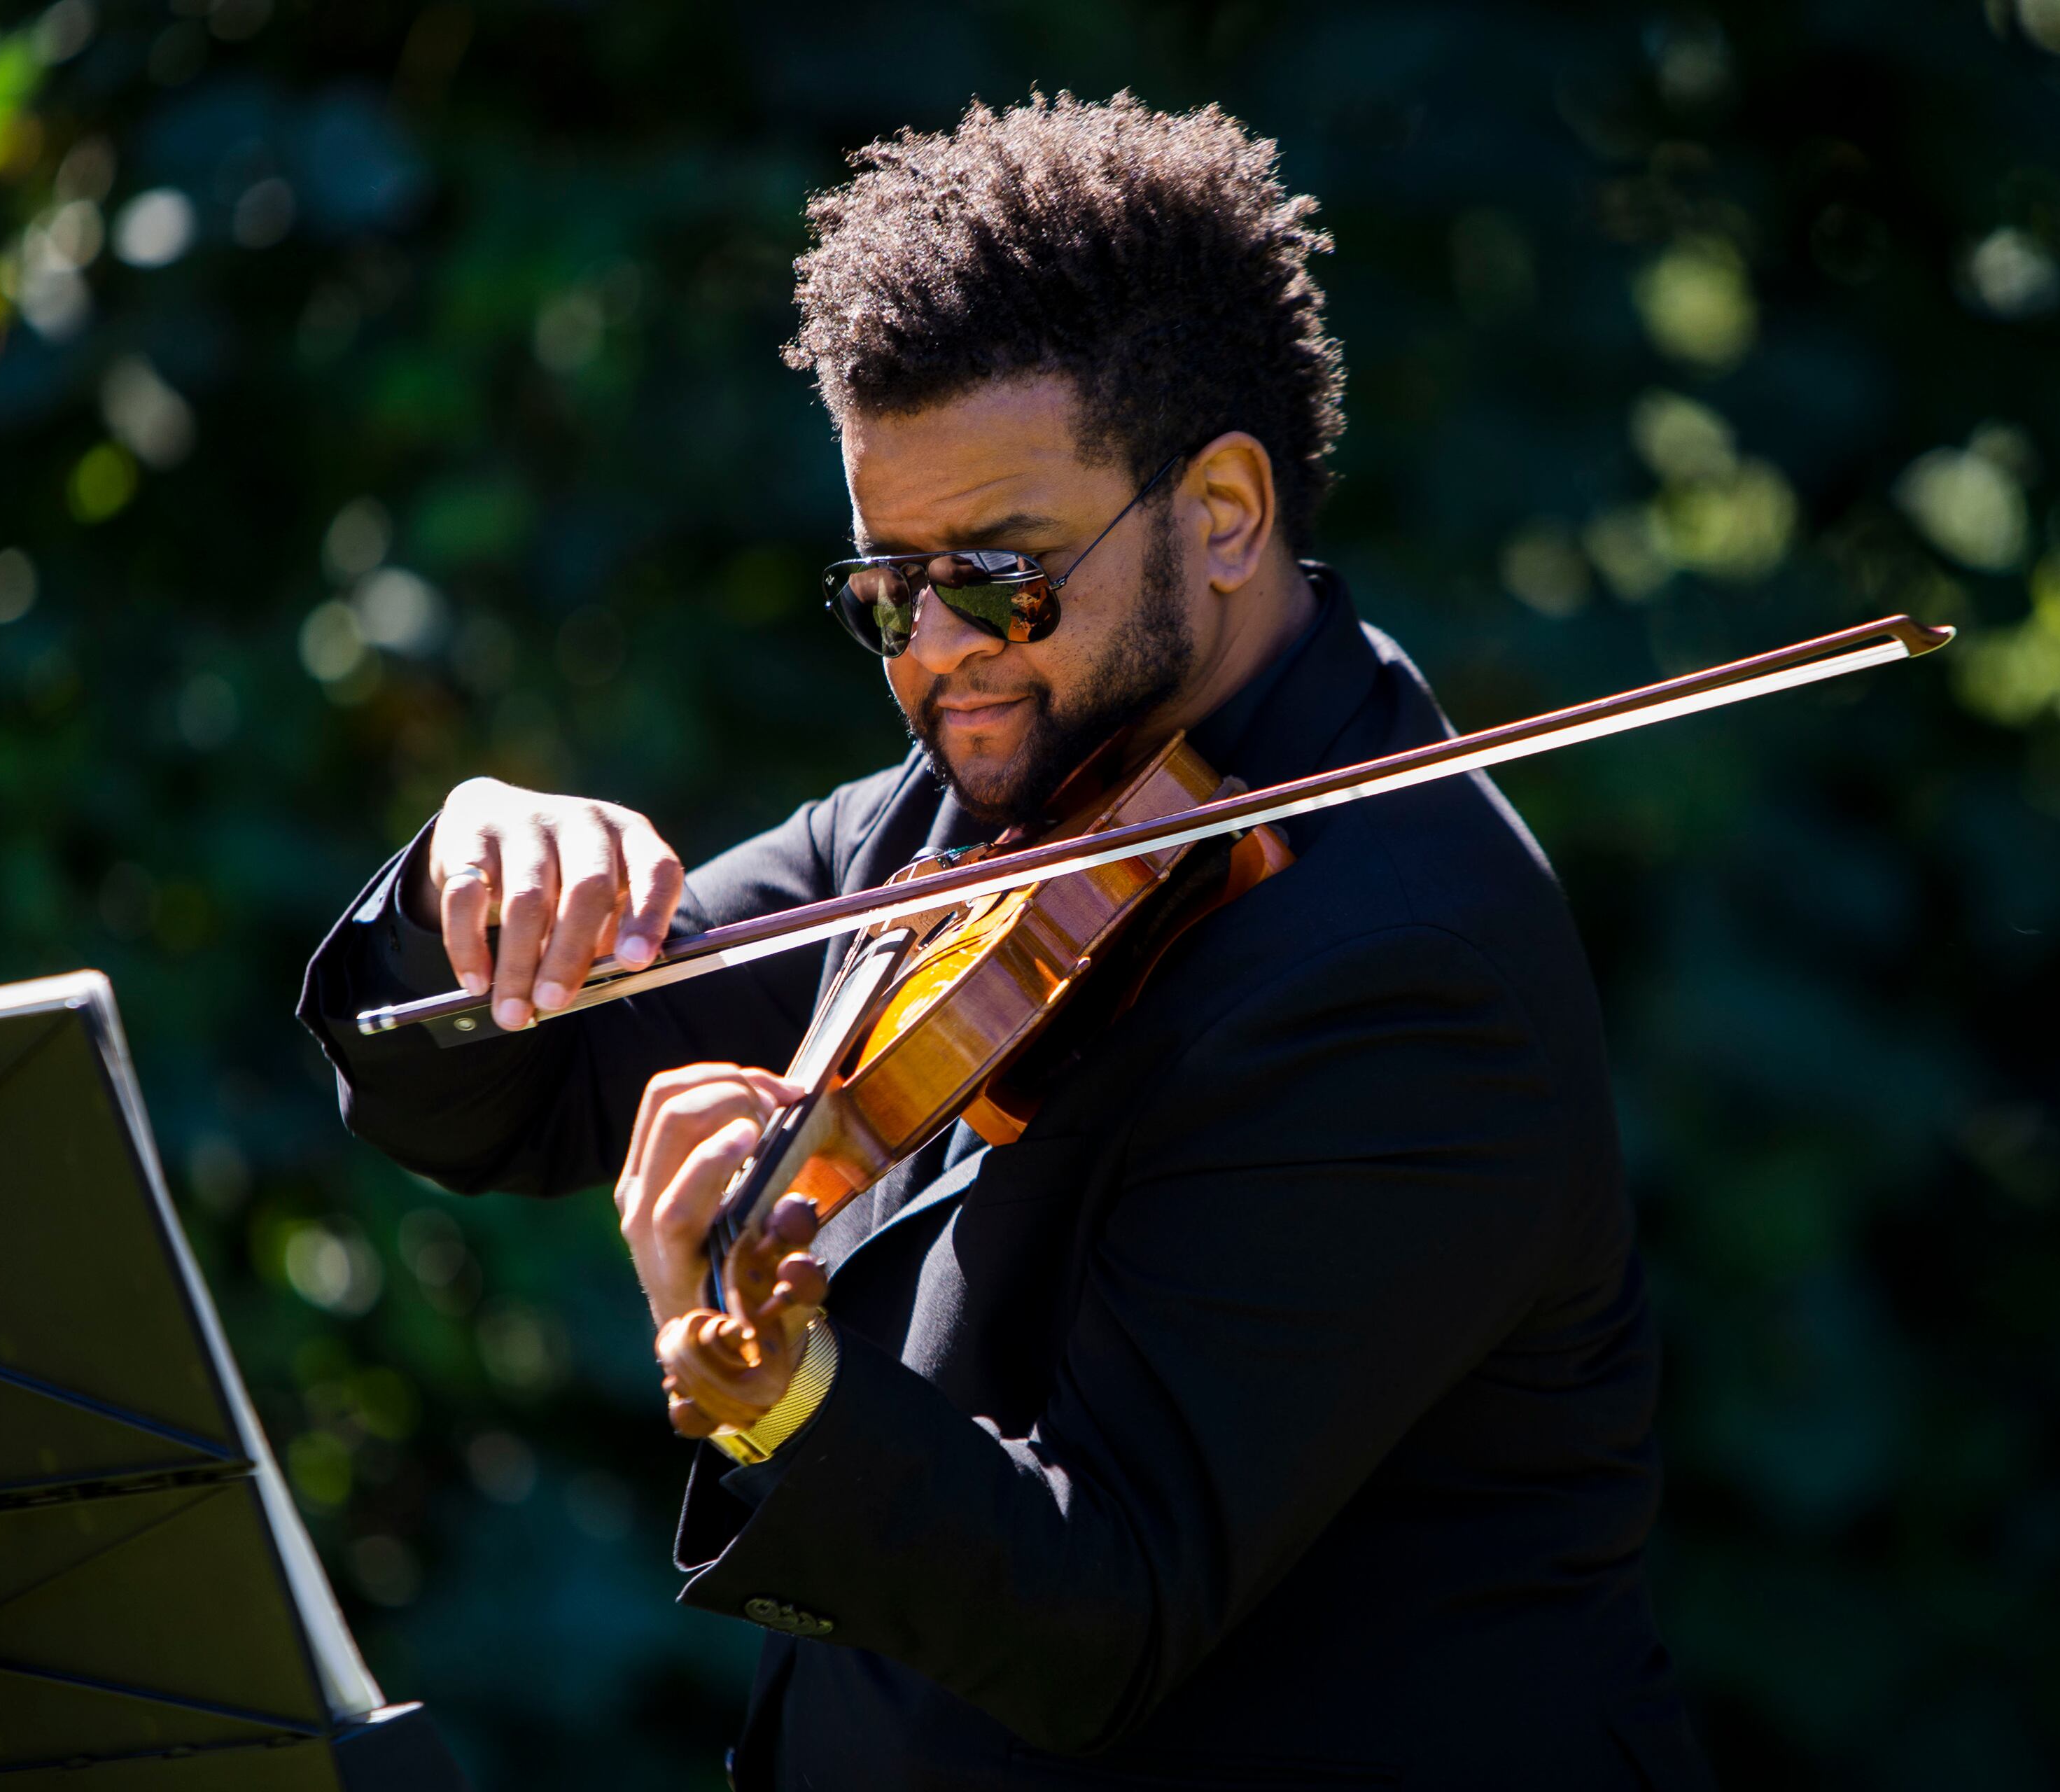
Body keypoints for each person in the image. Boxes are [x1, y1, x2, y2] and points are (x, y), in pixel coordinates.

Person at [301, 92, 1711, 1790]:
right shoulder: (980, 794)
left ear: (1226, 511)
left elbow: (1096, 1612)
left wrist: (788, 1396)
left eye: (1000, 572)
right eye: (884, 587)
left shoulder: (1401, 971)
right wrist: (476, 871)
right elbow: (506, 1095)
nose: (935, 657)